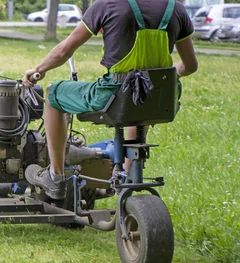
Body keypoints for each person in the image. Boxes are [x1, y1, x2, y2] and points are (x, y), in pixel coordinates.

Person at [22, 0, 198, 200]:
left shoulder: (107, 5)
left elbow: (64, 51)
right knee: (141, 100)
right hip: (159, 98)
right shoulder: (176, 9)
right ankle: (127, 178)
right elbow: (190, 65)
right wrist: (160, 78)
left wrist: (38, 70)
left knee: (53, 93)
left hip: (113, 94)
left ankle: (56, 176)